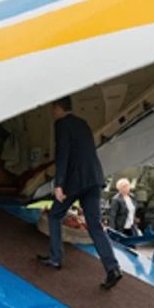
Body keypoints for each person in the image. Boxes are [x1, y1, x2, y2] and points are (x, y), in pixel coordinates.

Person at [36, 96, 123, 290]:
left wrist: (59, 184)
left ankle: (56, 258)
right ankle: (112, 268)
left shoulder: (61, 125)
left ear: (57, 108)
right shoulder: (82, 123)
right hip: (93, 179)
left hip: (74, 181)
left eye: (53, 109)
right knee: (95, 226)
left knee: (55, 215)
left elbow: (63, 154)